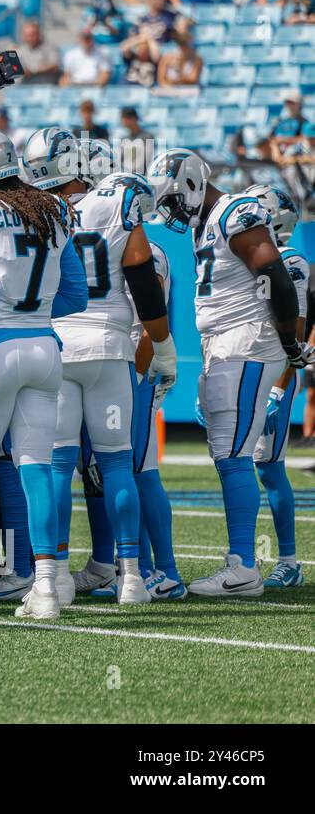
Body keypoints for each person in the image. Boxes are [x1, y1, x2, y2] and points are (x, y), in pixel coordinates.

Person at [147, 151, 315, 596]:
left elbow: (276, 277)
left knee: (236, 456)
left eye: (172, 200)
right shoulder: (213, 219)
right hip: (226, 344)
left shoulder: (236, 212)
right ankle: (242, 563)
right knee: (230, 455)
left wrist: (288, 343)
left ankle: (242, 568)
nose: (171, 211)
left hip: (246, 341)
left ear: (190, 183)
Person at [23, 132, 179, 607]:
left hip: (57, 349)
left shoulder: (29, 212)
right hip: (111, 349)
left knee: (55, 467)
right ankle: (131, 578)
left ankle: (51, 582)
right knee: (116, 465)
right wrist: (163, 344)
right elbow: (141, 278)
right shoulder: (117, 200)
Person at [0, 129, 88, 620]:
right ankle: (48, 585)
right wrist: (36, 312)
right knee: (38, 467)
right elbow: (78, 294)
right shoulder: (53, 210)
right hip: (45, 345)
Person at [243, 185, 306, 589]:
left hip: (273, 370)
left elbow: (293, 334)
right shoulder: (244, 257)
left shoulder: (290, 262)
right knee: (236, 463)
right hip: (243, 368)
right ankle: (242, 558)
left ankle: (288, 560)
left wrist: (279, 390)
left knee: (268, 467)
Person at [267, 90, 315, 157]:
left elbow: (306, 140)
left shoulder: (304, 122)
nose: (290, 105)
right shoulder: (280, 121)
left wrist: (284, 140)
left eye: (292, 103)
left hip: (294, 154)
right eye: (288, 102)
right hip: (278, 153)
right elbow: (271, 137)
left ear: (299, 104)